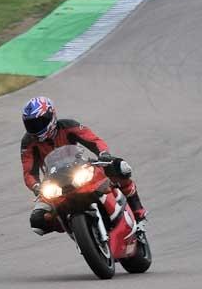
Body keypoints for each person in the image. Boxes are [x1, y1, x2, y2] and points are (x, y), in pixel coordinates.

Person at [20, 96, 147, 235]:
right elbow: (29, 172)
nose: (36, 128)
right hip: (53, 182)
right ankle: (72, 227)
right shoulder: (28, 142)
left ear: (52, 116)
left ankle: (139, 214)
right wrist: (36, 186)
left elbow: (93, 140)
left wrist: (103, 153)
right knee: (37, 222)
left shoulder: (68, 125)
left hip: (79, 168)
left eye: (40, 122)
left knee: (120, 167)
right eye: (31, 124)